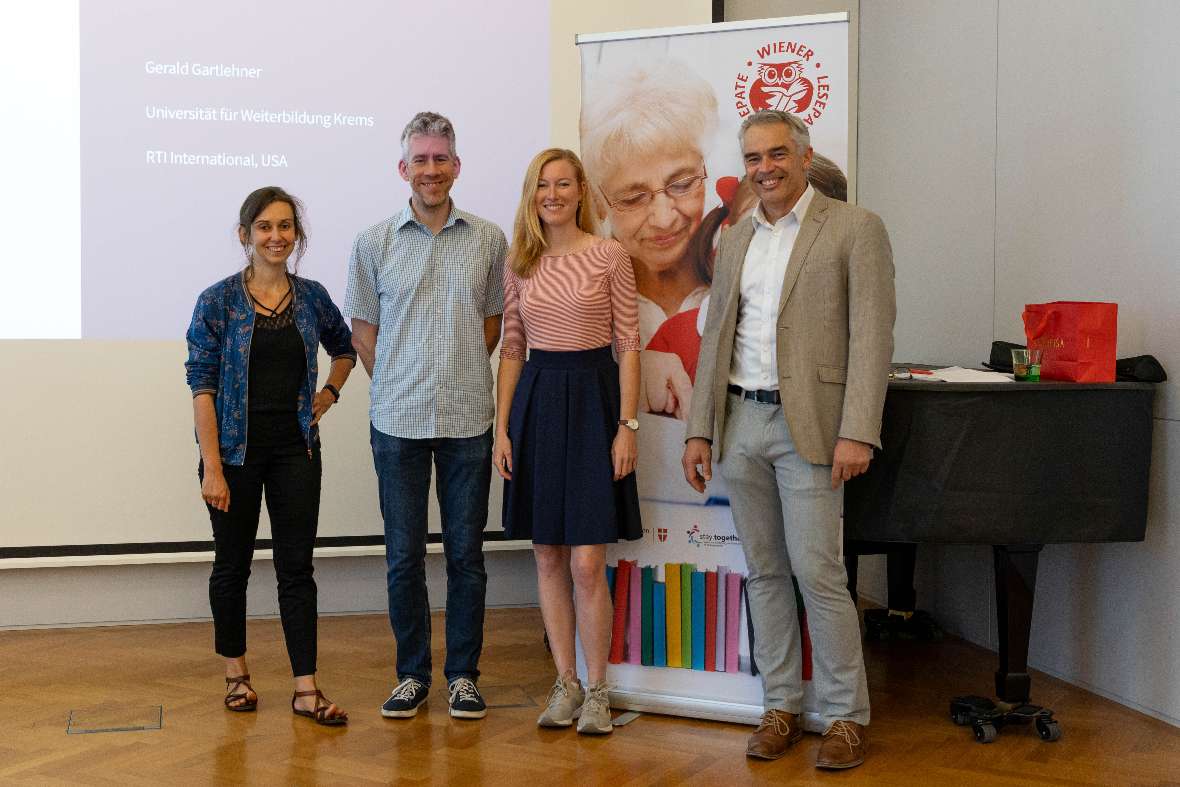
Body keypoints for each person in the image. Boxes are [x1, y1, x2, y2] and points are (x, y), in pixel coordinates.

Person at [682, 110, 896, 769]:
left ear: (804, 157)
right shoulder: (738, 237)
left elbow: (872, 337)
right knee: (766, 571)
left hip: (813, 425)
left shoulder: (855, 228)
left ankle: (844, 717)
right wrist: (698, 429)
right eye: (753, 157)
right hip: (741, 421)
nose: (764, 168)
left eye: (776, 154)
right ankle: (781, 706)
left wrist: (858, 430)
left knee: (819, 571)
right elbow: (716, 334)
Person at [345, 111, 506, 721]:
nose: (431, 170)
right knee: (403, 557)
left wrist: (455, 372)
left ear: (456, 166)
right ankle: (411, 675)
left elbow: (491, 326)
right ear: (403, 168)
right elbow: (365, 335)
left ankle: (463, 675)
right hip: (397, 425)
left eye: (442, 159)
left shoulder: (488, 240)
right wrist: (400, 385)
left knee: (467, 555)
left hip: (468, 419)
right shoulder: (373, 242)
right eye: (421, 160)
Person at [185, 186, 356, 726]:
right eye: (264, 227)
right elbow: (202, 388)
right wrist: (212, 466)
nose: (275, 236)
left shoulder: (311, 297)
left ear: (296, 236)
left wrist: (326, 397)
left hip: (295, 451)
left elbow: (345, 349)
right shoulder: (217, 301)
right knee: (231, 566)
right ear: (245, 235)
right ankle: (237, 674)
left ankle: (305, 688)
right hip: (233, 455)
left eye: (285, 227)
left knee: (296, 569)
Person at [493, 148, 642, 735]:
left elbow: (629, 344)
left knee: (587, 562)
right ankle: (566, 684)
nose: (551, 194)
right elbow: (511, 349)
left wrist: (627, 426)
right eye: (541, 186)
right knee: (548, 554)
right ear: (532, 196)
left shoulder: (609, 256)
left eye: (562, 184)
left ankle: (600, 688)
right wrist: (503, 427)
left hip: (594, 403)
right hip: (536, 403)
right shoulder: (519, 262)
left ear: (581, 191)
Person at [580, 60, 717, 416]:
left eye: (682, 184)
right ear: (599, 204)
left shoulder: (737, 273)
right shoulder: (589, 295)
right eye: (633, 197)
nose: (664, 217)